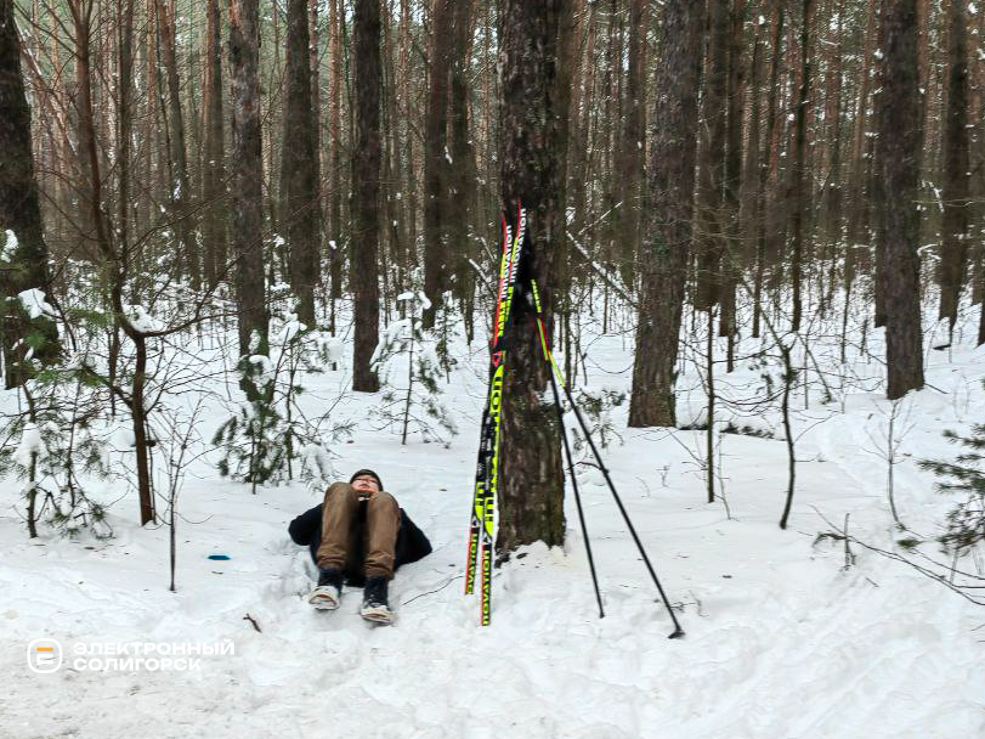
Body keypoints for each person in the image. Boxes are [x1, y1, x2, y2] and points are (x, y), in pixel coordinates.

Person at [288, 469, 431, 624]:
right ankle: (329, 582)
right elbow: (298, 533)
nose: (366, 481)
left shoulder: (388, 508)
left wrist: (396, 515)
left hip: (377, 564)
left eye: (372, 481)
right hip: (336, 559)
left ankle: (376, 594)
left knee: (384, 500)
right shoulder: (336, 502)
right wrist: (331, 506)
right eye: (360, 479)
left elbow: (422, 549)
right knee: (340, 490)